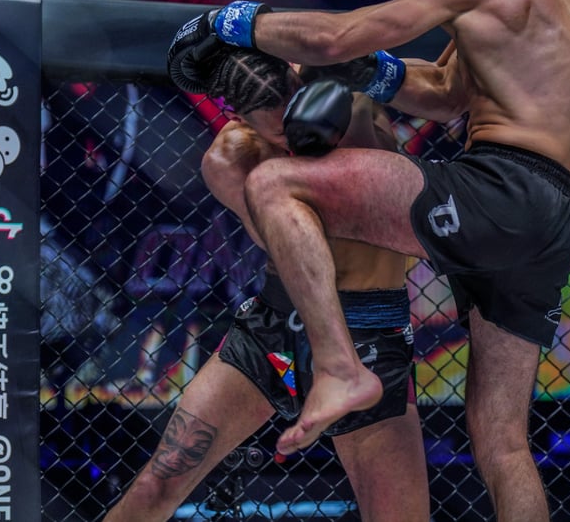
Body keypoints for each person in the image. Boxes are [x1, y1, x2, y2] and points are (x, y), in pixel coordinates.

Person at [168, 0, 570, 521]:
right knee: (502, 440)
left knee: (272, 181)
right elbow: (450, 96)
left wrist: (233, 22)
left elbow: (335, 38)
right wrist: (378, 72)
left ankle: (339, 367)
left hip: (504, 189)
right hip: (559, 216)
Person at [102, 46, 430, 521]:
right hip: (277, 327)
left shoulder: (350, 96)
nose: (296, 133)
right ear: (239, 117)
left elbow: (382, 207)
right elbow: (291, 243)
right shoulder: (230, 159)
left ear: (296, 80)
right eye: (279, 131)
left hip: (370, 330)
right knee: (158, 483)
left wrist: (347, 120)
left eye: (297, 110)